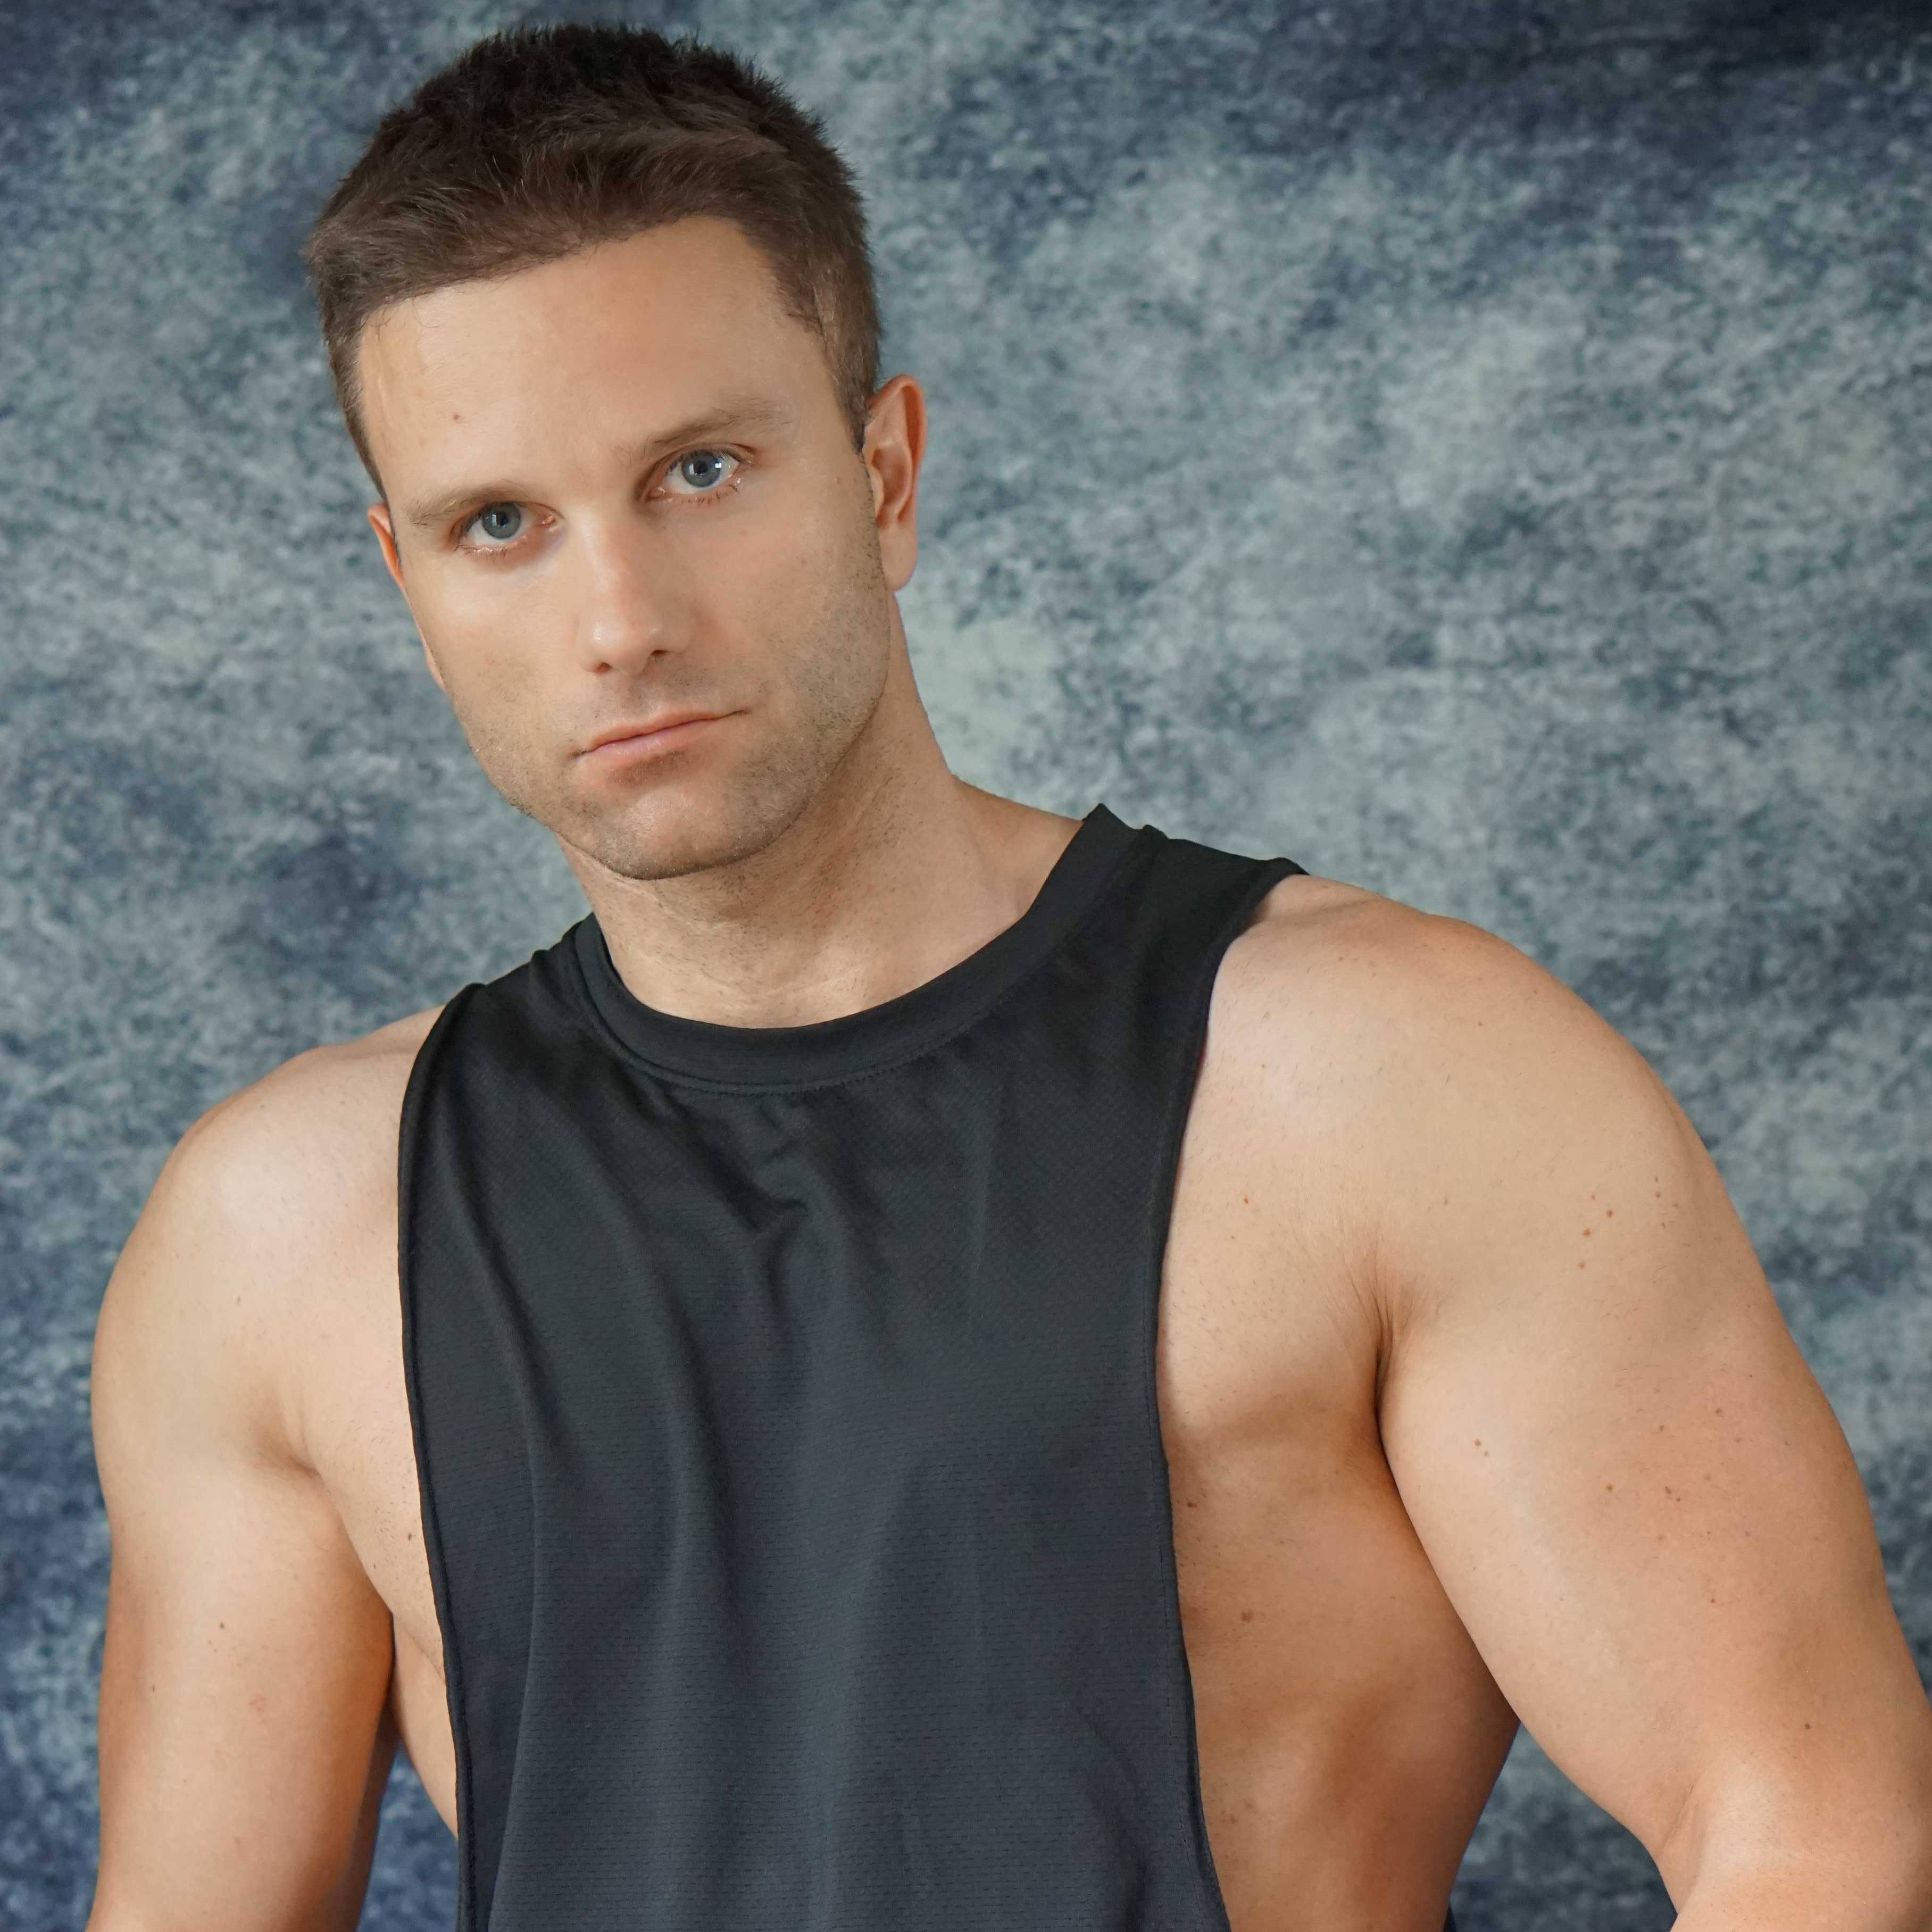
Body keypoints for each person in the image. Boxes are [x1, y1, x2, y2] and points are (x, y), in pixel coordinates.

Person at [85, 23, 1932, 1932]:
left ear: (885, 474)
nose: (619, 621)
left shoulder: (1388, 1086)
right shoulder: (285, 1235)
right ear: (408, 584)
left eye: (702, 471)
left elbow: (1819, 1827)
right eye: (501, 525)